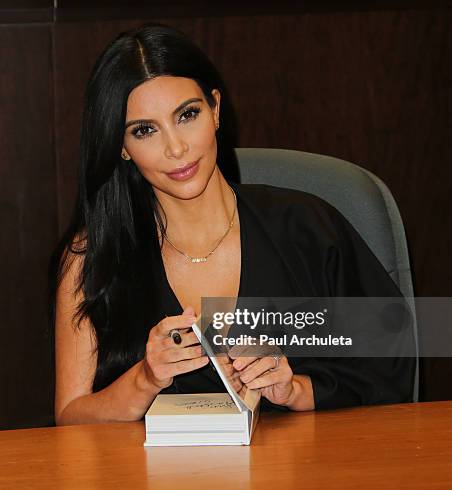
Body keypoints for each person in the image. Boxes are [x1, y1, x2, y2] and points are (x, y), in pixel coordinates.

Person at [50, 24, 415, 425]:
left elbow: (391, 367)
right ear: (121, 147)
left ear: (215, 109)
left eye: (187, 115)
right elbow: (70, 418)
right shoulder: (93, 256)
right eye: (145, 130)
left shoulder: (308, 229)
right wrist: (144, 379)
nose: (176, 148)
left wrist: (295, 389)